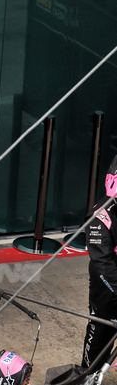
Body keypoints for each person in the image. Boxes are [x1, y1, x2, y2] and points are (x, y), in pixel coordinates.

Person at [83, 154, 117, 368]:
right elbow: (102, 264)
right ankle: (87, 378)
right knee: (100, 337)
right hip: (107, 290)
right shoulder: (100, 216)